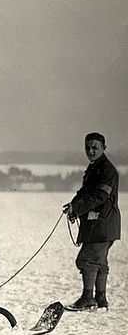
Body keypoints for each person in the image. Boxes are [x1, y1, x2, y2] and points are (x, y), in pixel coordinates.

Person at [63, 132, 120, 311]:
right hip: (100, 225)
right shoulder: (95, 167)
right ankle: (100, 300)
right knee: (99, 262)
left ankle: (88, 298)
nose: (90, 151)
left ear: (104, 148)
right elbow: (85, 192)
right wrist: (73, 206)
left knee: (87, 260)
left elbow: (99, 196)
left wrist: (77, 208)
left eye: (95, 147)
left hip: (103, 225)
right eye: (87, 147)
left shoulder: (107, 170)